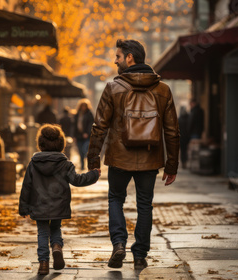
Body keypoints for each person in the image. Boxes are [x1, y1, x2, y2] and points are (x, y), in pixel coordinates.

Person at [87, 39, 180, 270]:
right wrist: (172, 166)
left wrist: (94, 159)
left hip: (119, 157)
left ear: (130, 58)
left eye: (118, 56)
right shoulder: (163, 90)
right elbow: (172, 132)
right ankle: (140, 255)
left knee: (116, 199)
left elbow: (99, 126)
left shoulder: (113, 88)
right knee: (145, 205)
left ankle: (118, 244)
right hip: (150, 158)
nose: (115, 60)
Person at [19, 124, 100, 275]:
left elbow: (26, 186)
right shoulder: (65, 164)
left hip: (39, 205)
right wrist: (94, 175)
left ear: (41, 143)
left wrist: (24, 208)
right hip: (58, 204)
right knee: (56, 228)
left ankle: (43, 263)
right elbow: (77, 180)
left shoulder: (33, 164)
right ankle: (57, 246)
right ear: (60, 143)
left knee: (42, 233)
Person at [73, 98, 94, 170]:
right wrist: (74, 136)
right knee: (80, 151)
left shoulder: (89, 114)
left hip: (86, 136)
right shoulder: (77, 114)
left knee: (85, 150)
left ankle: (88, 164)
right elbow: (74, 125)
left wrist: (87, 133)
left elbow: (91, 124)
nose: (83, 107)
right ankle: (82, 165)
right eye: (82, 105)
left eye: (85, 106)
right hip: (78, 136)